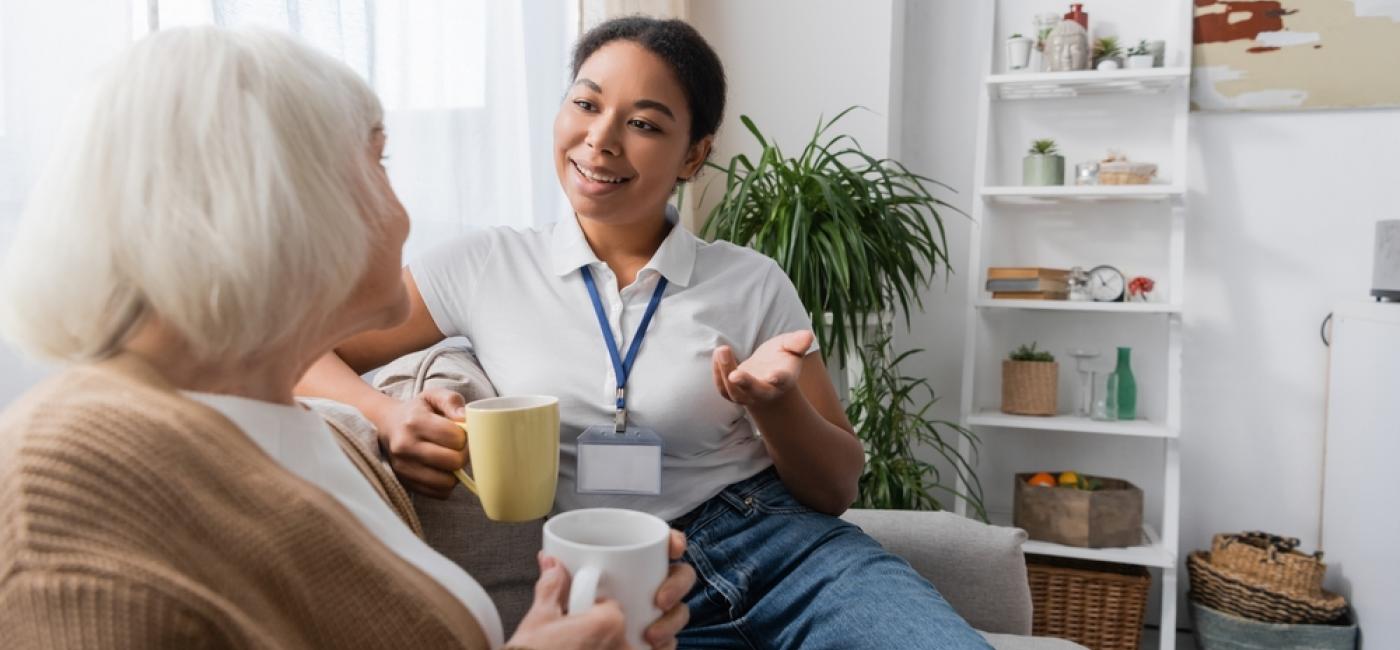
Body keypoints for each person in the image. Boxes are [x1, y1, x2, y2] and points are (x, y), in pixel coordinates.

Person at [297, 15, 992, 650]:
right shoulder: (481, 265)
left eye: (647, 124)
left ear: (694, 155)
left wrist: (776, 406)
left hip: (785, 550)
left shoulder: (751, 281)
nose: (600, 139)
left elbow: (836, 487)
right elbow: (294, 348)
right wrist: (387, 415)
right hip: (617, 575)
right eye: (586, 103)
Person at [0, 26, 692, 649]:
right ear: (274, 201)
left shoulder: (307, 429)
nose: (403, 214)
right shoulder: (61, 492)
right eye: (380, 163)